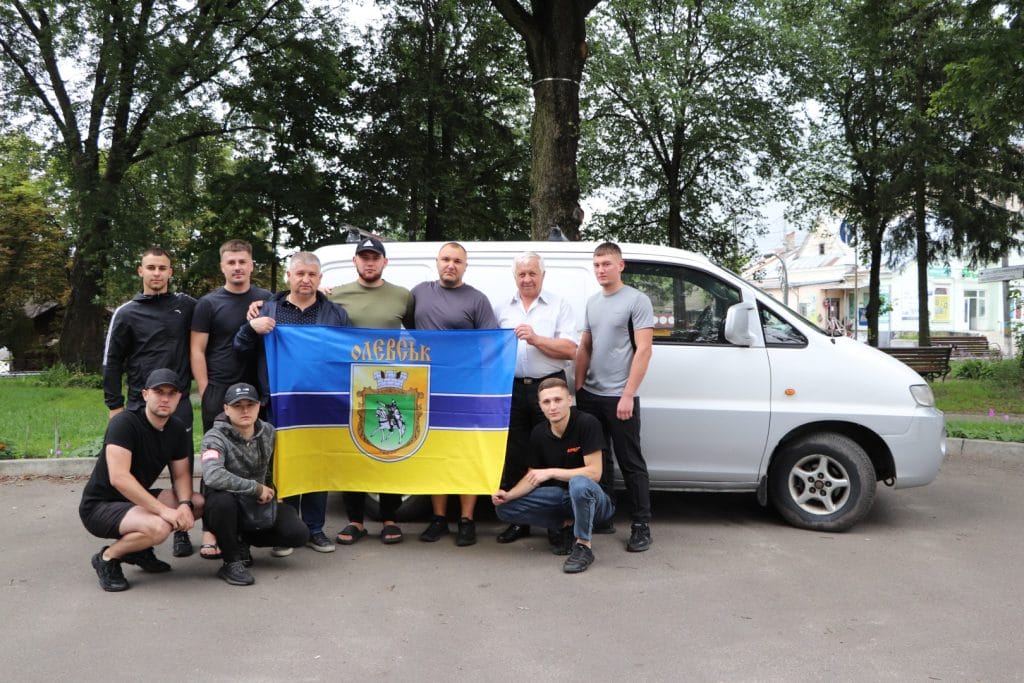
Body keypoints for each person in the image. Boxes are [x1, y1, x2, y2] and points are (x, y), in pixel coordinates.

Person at [234, 251, 351, 554]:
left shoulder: (335, 314)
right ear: (289, 276)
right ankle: (284, 531)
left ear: (320, 279)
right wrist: (251, 328)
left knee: (316, 465)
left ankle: (315, 529)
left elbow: (348, 356)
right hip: (278, 403)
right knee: (281, 466)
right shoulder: (268, 309)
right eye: (300, 274)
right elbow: (240, 348)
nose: (305, 280)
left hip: (320, 404)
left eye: (312, 275)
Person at [102, 247, 197, 558]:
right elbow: (112, 362)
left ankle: (182, 530)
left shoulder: (187, 306)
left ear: (171, 272)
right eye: (151, 267)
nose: (157, 273)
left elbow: (219, 316)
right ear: (140, 271)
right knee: (135, 473)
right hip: (137, 405)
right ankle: (136, 531)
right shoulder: (126, 312)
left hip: (178, 403)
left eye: (163, 268)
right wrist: (114, 407)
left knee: (182, 467)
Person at [79, 368, 206, 592]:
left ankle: (137, 550)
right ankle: (108, 558)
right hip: (100, 506)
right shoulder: (125, 423)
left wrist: (185, 505)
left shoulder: (176, 428)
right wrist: (164, 511)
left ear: (179, 398)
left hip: (134, 502)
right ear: (146, 394)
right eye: (159, 392)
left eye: (172, 393)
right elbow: (119, 478)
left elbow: (181, 474)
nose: (165, 398)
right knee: (159, 527)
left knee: (198, 503)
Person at [411, 242, 498, 546]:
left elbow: (491, 345)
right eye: (446, 259)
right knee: (435, 453)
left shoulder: (477, 300)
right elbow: (401, 325)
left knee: (465, 454)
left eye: (457, 261)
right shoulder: (418, 293)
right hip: (427, 387)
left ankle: (466, 520)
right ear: (437, 262)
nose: (451, 265)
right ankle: (438, 519)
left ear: (465, 266)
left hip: (466, 390)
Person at [329, 237, 415, 546]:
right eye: (364, 257)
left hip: (389, 384)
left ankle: (390, 518)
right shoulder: (336, 295)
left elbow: (421, 336)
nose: (369, 262)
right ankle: (355, 520)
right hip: (349, 384)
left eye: (375, 257)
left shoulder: (403, 296)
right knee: (352, 452)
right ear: (355, 261)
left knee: (390, 448)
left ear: (384, 262)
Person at [190, 239, 273, 560]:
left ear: (252, 265)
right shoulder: (208, 304)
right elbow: (197, 350)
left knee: (257, 462)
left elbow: (298, 305)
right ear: (222, 266)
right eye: (231, 262)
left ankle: (248, 526)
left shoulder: (267, 299)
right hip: (219, 391)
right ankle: (210, 531)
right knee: (216, 463)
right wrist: (206, 389)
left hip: (256, 392)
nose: (237, 267)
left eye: (242, 261)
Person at [575, 242, 655, 553]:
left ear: (620, 266)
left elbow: (644, 350)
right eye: (596, 265)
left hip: (620, 396)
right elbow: (585, 347)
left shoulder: (637, 300)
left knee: (630, 461)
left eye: (606, 264)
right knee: (600, 459)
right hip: (591, 395)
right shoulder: (592, 302)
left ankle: (641, 525)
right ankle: (604, 516)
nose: (601, 270)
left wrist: (628, 395)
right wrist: (579, 388)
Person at [492, 252, 577, 544]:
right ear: (514, 277)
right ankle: (520, 521)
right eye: (522, 274)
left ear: (543, 275)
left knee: (553, 453)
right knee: (515, 454)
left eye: (532, 273)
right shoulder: (502, 307)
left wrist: (535, 338)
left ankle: (556, 522)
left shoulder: (559, 305)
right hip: (512, 388)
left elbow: (570, 350)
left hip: (549, 387)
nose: (527, 279)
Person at [492, 378, 614, 573]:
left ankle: (583, 546)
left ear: (569, 400)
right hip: (561, 498)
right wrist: (509, 495)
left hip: (596, 502)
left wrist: (550, 472)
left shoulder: (587, 423)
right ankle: (566, 524)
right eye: (546, 402)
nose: (553, 407)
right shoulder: (539, 433)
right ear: (540, 405)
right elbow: (533, 476)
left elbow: (594, 473)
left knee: (579, 484)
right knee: (504, 508)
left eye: (558, 400)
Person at [200, 383, 309, 586]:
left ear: (259, 406)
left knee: (298, 534)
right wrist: (256, 488)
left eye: (250, 404)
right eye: (237, 405)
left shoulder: (269, 431)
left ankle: (243, 539)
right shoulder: (213, 437)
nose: (245, 410)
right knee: (222, 502)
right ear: (226, 409)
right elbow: (213, 476)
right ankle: (231, 562)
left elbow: (276, 466)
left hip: (257, 503)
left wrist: (276, 492)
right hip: (226, 503)